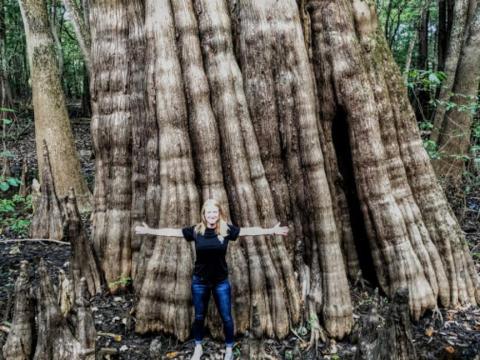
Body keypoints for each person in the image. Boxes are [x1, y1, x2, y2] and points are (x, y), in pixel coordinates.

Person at [135, 198, 289, 360]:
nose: (212, 215)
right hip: (199, 282)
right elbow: (172, 232)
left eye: (214, 212)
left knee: (226, 317)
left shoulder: (225, 230)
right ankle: (198, 346)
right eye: (209, 212)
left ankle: (229, 348)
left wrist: (270, 230)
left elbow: (249, 231)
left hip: (220, 282)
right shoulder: (196, 231)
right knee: (199, 316)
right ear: (204, 214)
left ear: (219, 213)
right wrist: (150, 231)